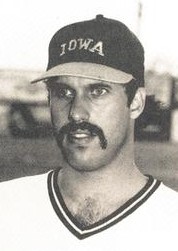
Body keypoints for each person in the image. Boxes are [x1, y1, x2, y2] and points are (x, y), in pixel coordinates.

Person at [0, 14, 178, 251]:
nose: (76, 113)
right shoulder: (7, 206)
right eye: (63, 92)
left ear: (135, 102)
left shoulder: (171, 223)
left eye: (98, 91)